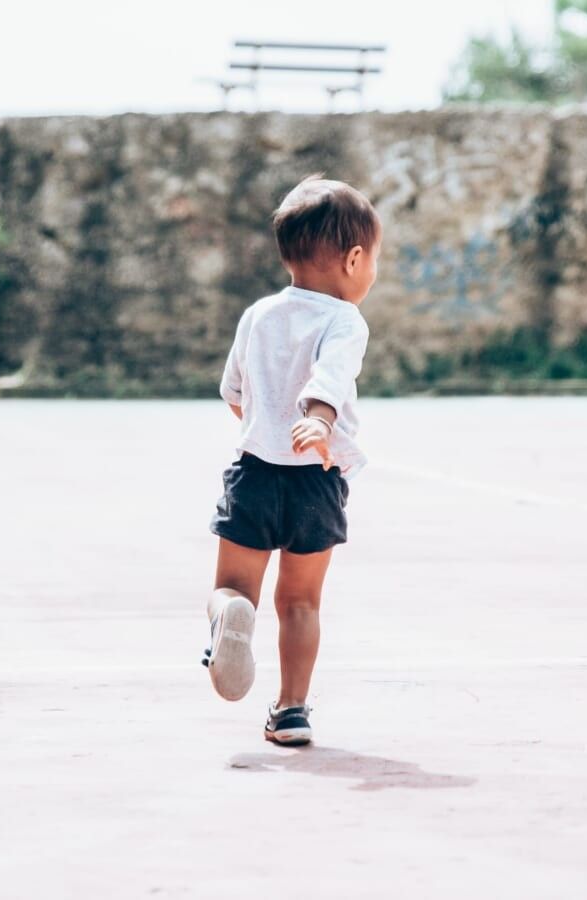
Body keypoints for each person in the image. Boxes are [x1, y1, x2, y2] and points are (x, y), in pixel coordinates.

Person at [202, 175, 379, 746]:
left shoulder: (258, 315)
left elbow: (233, 392)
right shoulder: (345, 319)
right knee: (300, 601)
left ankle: (230, 616)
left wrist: (270, 428)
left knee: (233, 587)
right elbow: (332, 376)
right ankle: (292, 710)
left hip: (255, 472)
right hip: (316, 481)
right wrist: (319, 421)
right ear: (355, 259)